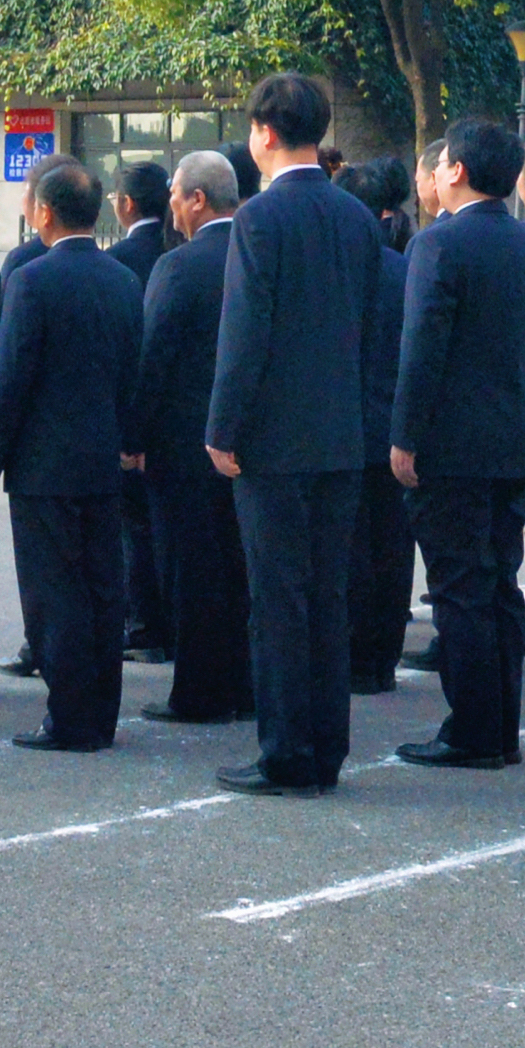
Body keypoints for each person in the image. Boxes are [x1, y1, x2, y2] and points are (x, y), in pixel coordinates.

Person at [209, 71, 379, 797]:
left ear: (265, 133)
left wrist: (223, 426)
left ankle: (285, 749)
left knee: (277, 600)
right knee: (326, 597)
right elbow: (371, 328)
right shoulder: (357, 219)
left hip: (274, 441)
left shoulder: (259, 219)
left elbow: (244, 334)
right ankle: (326, 748)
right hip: (342, 434)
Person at [391, 116, 525, 769]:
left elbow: (422, 348)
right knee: (499, 583)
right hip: (512, 434)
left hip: (451, 442)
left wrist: (405, 435)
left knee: (456, 587)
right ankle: (501, 724)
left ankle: (472, 728)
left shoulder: (440, 246)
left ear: (455, 169)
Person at [0, 161, 147, 753]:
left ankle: (70, 715)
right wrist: (128, 439)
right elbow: (134, 372)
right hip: (102, 456)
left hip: (45, 463)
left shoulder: (32, 280)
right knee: (104, 586)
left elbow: (11, 377)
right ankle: (101, 713)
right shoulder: (123, 278)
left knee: (56, 591)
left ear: (44, 212)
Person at [136, 153, 251, 724]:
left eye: (176, 194)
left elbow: (152, 360)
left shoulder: (178, 267)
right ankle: (248, 686)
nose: (172, 206)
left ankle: (200, 692)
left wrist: (133, 436)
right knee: (245, 569)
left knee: (192, 571)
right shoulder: (261, 256)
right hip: (255, 440)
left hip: (184, 446)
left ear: (198, 199)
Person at [339, 159, 418, 696]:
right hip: (394, 422)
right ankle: (382, 658)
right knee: (391, 548)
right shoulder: (404, 269)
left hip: (344, 426)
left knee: (348, 552)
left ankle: (353, 654)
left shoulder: (342, 271)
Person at [110, 160, 178, 659]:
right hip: (182, 414)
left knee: (134, 526)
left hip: (133, 408)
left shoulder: (120, 261)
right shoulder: (180, 249)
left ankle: (142, 623)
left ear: (126, 203)